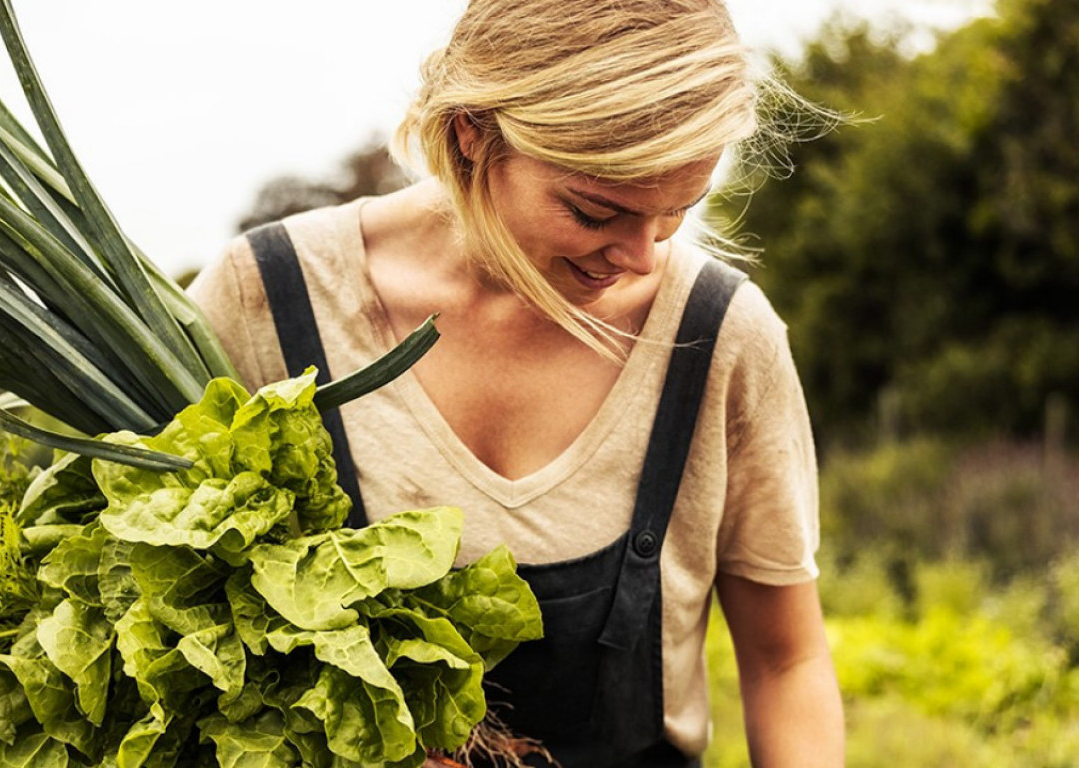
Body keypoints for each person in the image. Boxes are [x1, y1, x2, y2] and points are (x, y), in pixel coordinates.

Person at [188, 0, 844, 765]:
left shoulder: (719, 335)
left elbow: (785, 661)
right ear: (473, 130)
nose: (639, 257)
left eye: (674, 213)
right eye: (597, 212)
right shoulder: (265, 302)